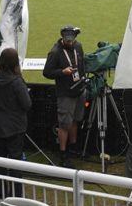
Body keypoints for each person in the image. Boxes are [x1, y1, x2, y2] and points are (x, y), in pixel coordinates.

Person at [0, 47, 32, 198]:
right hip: (14, 129)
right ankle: (15, 199)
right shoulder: (17, 82)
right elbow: (27, 104)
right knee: (14, 166)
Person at [43, 25, 86, 167]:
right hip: (66, 93)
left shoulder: (78, 46)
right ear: (62, 38)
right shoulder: (55, 52)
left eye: (72, 40)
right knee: (64, 124)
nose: (71, 43)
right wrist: (62, 72)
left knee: (75, 120)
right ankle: (63, 153)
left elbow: (82, 65)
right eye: (68, 41)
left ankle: (73, 147)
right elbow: (47, 72)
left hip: (79, 90)